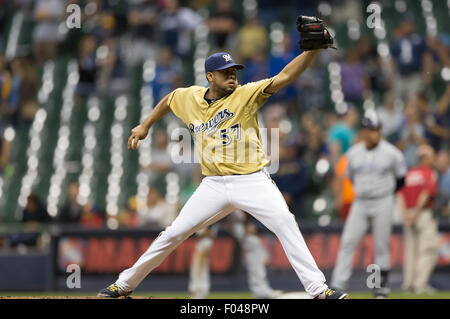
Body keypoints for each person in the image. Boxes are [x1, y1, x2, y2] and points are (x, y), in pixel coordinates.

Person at [98, 16, 346, 299]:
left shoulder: (246, 95)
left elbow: (285, 77)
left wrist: (310, 51)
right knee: (174, 232)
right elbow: (168, 99)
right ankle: (124, 284)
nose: (232, 76)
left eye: (234, 71)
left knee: (285, 222)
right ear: (210, 77)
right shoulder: (189, 97)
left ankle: (319, 290)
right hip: (213, 184)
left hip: (252, 180)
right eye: (226, 72)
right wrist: (145, 125)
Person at [330, 109, 407, 298]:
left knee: (381, 245)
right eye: (367, 129)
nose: (371, 132)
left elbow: (401, 180)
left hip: (383, 200)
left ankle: (381, 289)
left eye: (374, 129)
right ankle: (338, 285)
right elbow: (350, 178)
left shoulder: (392, 153)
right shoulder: (353, 153)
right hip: (361, 202)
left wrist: (385, 194)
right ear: (362, 131)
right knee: (348, 242)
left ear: (380, 130)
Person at [188, 211, 282, 299]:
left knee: (252, 241)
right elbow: (209, 205)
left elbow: (247, 200)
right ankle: (198, 291)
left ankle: (261, 290)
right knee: (204, 244)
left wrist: (247, 223)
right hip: (211, 211)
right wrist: (206, 227)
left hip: (231, 210)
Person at [397, 144, 439, 294]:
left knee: (410, 251)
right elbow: (426, 194)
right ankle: (420, 284)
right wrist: (415, 213)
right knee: (426, 250)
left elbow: (400, 194)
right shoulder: (429, 173)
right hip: (422, 214)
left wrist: (405, 214)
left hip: (408, 214)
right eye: (432, 156)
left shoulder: (409, 174)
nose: (434, 159)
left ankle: (408, 284)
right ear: (425, 158)